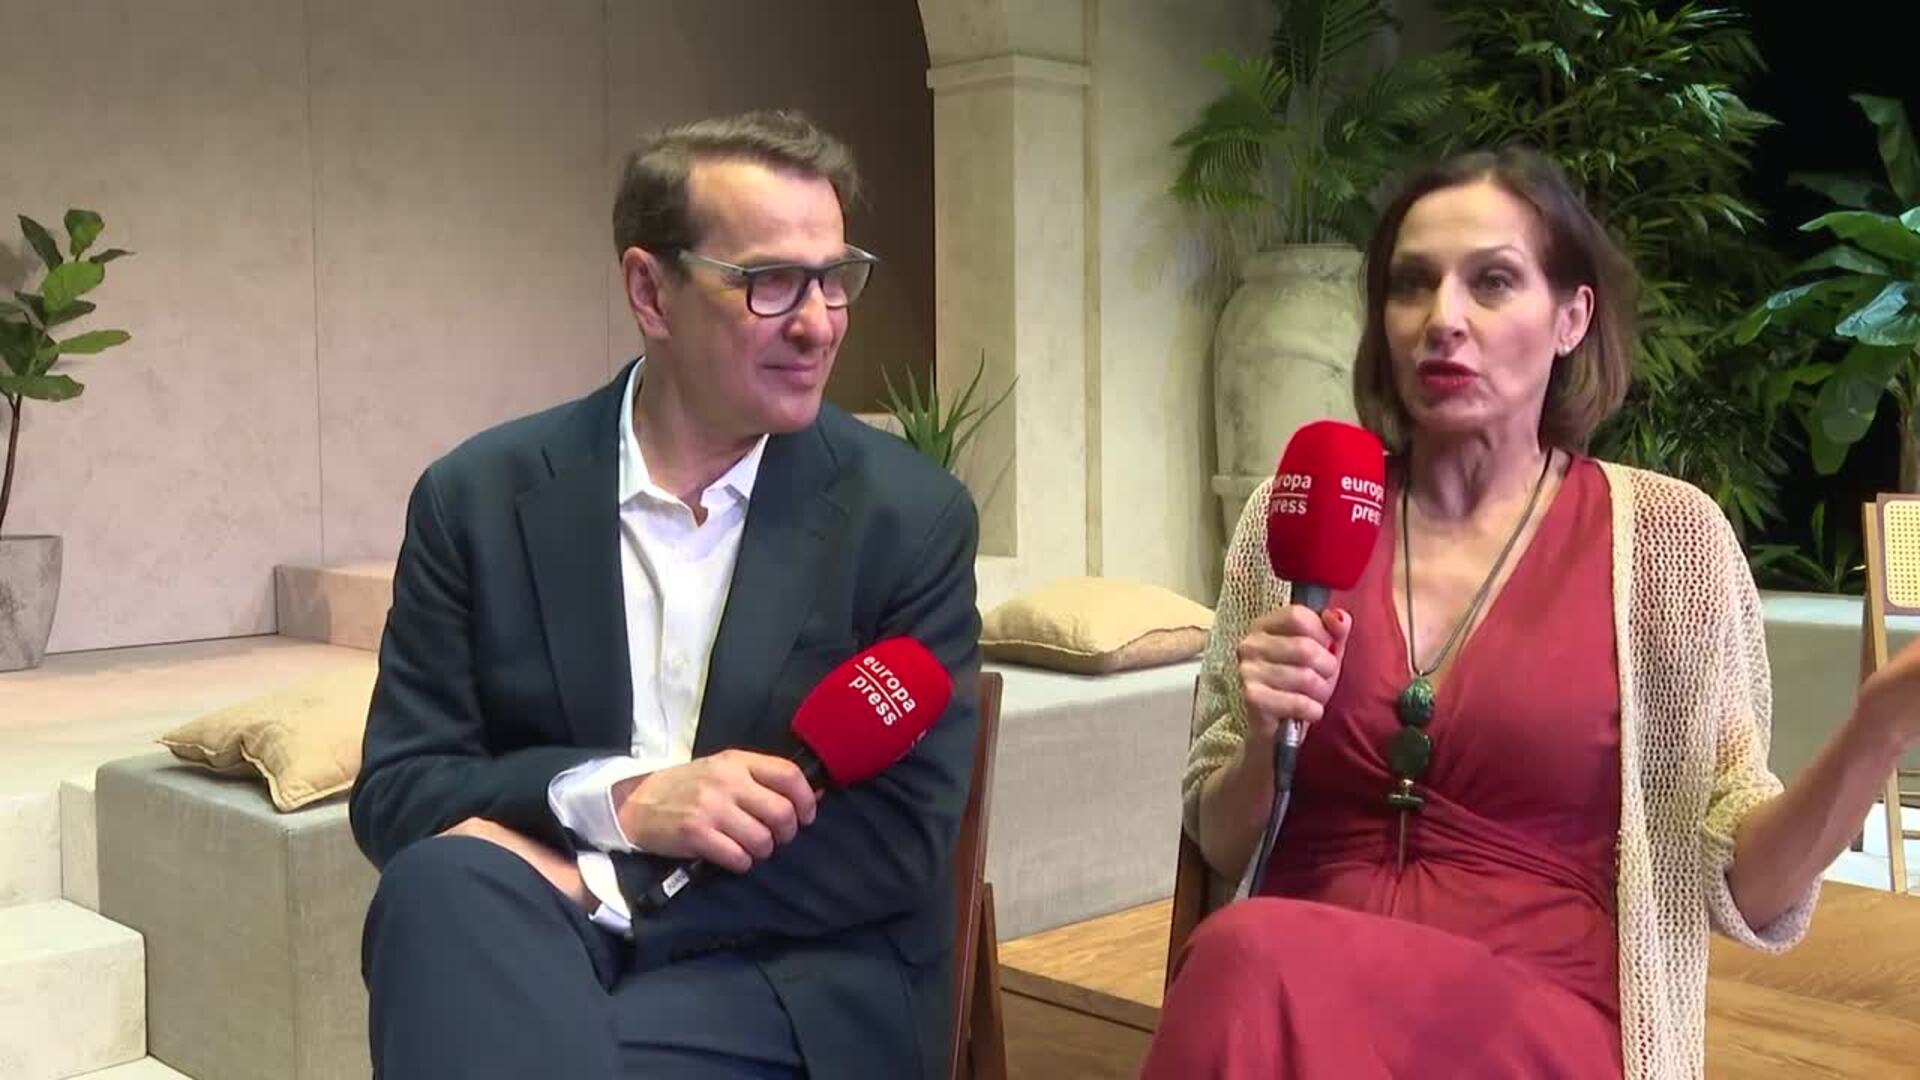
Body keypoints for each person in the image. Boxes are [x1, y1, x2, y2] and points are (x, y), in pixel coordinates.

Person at [1143, 147, 1920, 1078]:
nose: (1443, 319)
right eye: (1411, 285)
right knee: (1241, 959)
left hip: (1533, 1024)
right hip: (1286, 997)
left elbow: (1748, 891)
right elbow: (1223, 843)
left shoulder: (1671, 544)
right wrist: (1269, 738)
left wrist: (1881, 724)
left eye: (1493, 282)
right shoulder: (1299, 512)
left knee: (1244, 962)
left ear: (1571, 318)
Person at [348, 109, 983, 1080]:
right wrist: (625, 801)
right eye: (771, 282)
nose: (817, 323)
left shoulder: (910, 517)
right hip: (536, 935)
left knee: (496, 1043)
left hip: (792, 978)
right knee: (436, 886)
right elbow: (401, 791)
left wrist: (610, 886)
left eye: (833, 278)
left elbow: (897, 839)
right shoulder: (476, 500)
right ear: (651, 290)